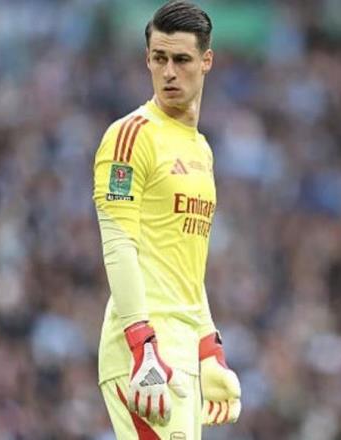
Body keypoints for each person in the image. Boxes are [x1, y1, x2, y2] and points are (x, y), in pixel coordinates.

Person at [93, 1, 241, 438]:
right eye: (160, 59)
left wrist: (208, 347)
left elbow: (186, 265)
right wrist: (143, 346)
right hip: (145, 352)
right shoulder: (130, 135)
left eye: (181, 60)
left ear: (206, 61)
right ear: (147, 60)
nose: (169, 72)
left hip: (181, 348)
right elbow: (118, 243)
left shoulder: (201, 150)